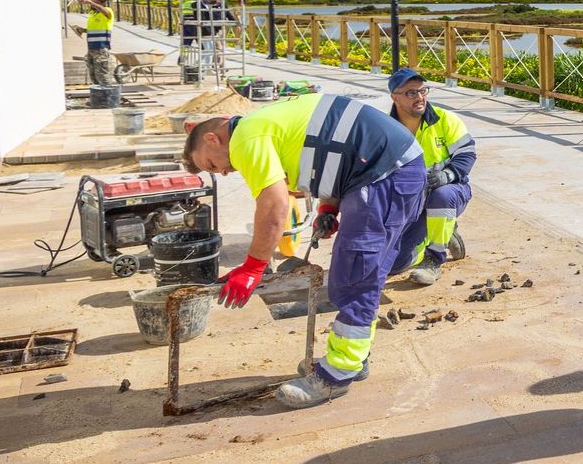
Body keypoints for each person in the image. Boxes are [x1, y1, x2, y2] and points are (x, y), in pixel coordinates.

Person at [182, 93, 427, 407]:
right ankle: (355, 357)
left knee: (355, 275)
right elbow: (332, 147)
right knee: (357, 270)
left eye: (212, 164)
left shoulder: (245, 138)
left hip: (385, 174)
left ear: (212, 138)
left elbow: (274, 205)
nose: (223, 172)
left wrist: (254, 267)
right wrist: (329, 205)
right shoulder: (264, 123)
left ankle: (338, 374)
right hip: (383, 170)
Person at [387, 67, 476, 285]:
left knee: (442, 196)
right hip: (411, 203)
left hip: (450, 192)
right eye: (411, 93)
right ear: (394, 97)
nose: (419, 97)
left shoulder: (445, 119)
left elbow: (467, 154)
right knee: (394, 265)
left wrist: (446, 175)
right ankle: (445, 233)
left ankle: (434, 258)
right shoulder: (387, 129)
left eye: (423, 91)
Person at [79, 0, 114, 85]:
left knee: (102, 75)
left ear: (101, 1)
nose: (91, 3)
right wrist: (82, 30)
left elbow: (105, 12)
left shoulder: (107, 11)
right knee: (93, 76)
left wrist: (89, 1)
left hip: (101, 48)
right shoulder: (92, 13)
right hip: (91, 48)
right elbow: (95, 29)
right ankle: (98, 95)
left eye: (94, 0)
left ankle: (107, 96)